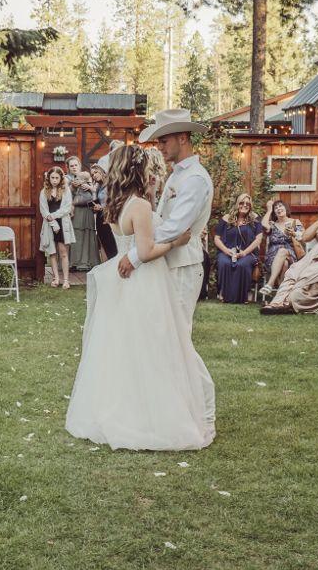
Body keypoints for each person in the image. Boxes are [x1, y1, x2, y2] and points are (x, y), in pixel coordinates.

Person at [65, 143, 213, 451]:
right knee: (156, 345)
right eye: (146, 166)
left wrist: (154, 197)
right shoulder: (140, 207)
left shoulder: (116, 205)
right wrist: (176, 242)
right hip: (146, 279)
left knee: (128, 347)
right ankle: (155, 414)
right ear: (137, 170)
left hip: (125, 283)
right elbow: (145, 251)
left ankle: (128, 409)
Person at [117, 109, 216, 431]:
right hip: (165, 263)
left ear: (183, 138)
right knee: (165, 340)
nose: (159, 146)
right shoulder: (176, 175)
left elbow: (175, 227)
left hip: (183, 266)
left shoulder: (195, 179)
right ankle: (177, 409)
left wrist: (136, 253)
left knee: (179, 341)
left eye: (164, 140)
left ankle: (205, 412)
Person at [213, 193, 262, 304]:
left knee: (242, 264)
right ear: (237, 204)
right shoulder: (226, 218)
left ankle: (243, 295)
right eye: (242, 203)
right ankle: (224, 293)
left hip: (248, 253)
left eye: (247, 204)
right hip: (227, 251)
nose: (244, 205)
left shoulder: (255, 219)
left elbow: (258, 239)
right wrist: (226, 251)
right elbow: (217, 238)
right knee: (224, 263)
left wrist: (244, 253)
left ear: (250, 206)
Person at [258, 199, 305, 297]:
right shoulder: (272, 224)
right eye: (276, 208)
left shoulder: (295, 222)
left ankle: (270, 284)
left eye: (280, 206)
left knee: (283, 251)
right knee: (284, 263)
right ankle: (281, 293)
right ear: (274, 212)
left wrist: (294, 233)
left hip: (291, 255)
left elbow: (303, 237)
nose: (278, 209)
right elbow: (264, 224)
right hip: (272, 257)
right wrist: (269, 209)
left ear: (286, 208)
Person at [39, 166, 74, 289]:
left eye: (57, 178)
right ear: (48, 178)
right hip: (50, 225)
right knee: (52, 253)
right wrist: (53, 223)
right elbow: (43, 210)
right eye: (52, 177)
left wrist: (53, 216)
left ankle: (66, 280)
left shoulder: (66, 190)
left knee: (63, 253)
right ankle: (56, 278)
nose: (54, 180)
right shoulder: (44, 191)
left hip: (63, 224)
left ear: (61, 178)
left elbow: (67, 208)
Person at [67, 156, 100, 271]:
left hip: (88, 210)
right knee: (77, 235)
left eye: (76, 165)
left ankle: (88, 261)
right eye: (71, 166)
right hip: (75, 210)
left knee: (88, 233)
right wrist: (72, 187)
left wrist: (89, 187)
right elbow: (65, 195)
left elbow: (95, 193)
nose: (74, 167)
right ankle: (75, 262)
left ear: (79, 165)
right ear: (68, 168)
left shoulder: (87, 176)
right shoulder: (67, 179)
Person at [90, 156, 117, 262]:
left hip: (110, 217)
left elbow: (115, 202)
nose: (94, 175)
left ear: (102, 171)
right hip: (100, 217)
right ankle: (105, 266)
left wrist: (102, 207)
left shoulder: (111, 185)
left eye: (96, 172)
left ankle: (113, 264)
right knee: (102, 243)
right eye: (92, 174)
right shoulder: (99, 187)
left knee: (111, 243)